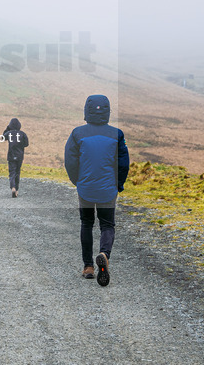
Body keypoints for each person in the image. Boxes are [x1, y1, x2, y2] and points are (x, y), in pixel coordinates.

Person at [64, 94, 130, 287]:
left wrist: (77, 181)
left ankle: (88, 267)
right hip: (108, 188)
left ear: (87, 110)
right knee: (107, 225)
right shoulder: (117, 134)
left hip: (85, 187)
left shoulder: (77, 133)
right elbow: (123, 163)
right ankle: (104, 254)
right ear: (108, 111)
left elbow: (70, 161)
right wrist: (119, 184)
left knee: (86, 223)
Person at [3, 118, 30, 197]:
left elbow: (3, 137)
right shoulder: (23, 134)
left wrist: (8, 129)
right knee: (17, 172)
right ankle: (17, 190)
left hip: (11, 156)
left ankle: (13, 188)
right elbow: (26, 144)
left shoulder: (9, 133)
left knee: (12, 172)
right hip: (20, 156)